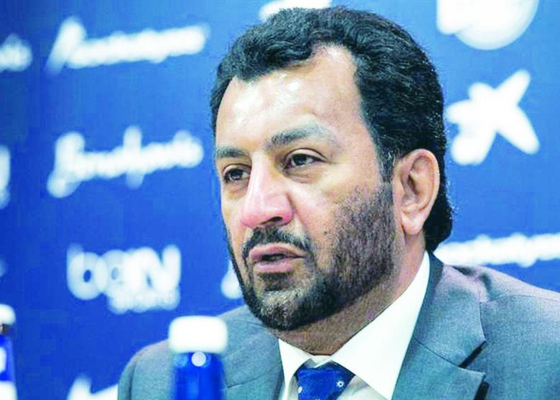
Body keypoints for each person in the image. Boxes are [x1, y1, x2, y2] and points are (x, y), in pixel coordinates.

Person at [118, 7, 560, 400]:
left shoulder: (545, 365)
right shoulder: (160, 382)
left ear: (411, 190)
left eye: (300, 160)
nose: (257, 210)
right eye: (236, 173)